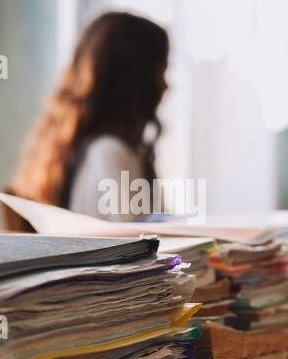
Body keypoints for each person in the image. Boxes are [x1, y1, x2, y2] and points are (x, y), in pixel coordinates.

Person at [9, 11, 169, 220]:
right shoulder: (110, 153)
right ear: (133, 81)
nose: (166, 85)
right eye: (160, 71)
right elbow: (153, 247)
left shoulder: (70, 151)